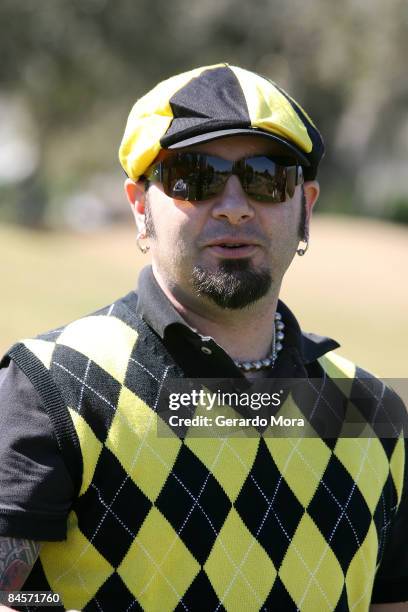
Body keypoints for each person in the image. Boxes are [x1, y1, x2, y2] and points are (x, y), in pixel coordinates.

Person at [0, 63, 407, 612]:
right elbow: (15, 597)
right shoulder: (53, 386)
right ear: (141, 207)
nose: (235, 205)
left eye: (267, 176)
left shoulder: (370, 411)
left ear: (304, 207)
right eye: (195, 177)